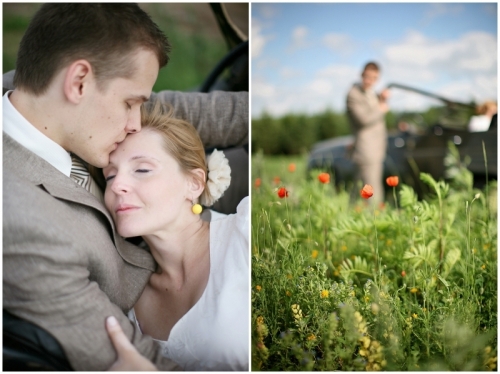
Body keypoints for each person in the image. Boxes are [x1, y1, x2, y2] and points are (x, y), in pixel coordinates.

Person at [3, 3, 248, 371]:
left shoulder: (29, 92)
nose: (135, 123)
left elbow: (193, 116)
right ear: (79, 82)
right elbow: (136, 360)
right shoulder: (20, 223)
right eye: (130, 103)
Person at [102, 101, 249, 370]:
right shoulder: (123, 293)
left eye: (142, 169)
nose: (118, 186)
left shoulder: (245, 235)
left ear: (193, 184)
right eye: (110, 176)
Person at [346, 61, 389, 204]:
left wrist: (382, 99)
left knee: (360, 193)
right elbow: (363, 119)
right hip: (366, 151)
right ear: (362, 74)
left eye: (374, 78)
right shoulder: (353, 94)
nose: (370, 81)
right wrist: (381, 108)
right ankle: (374, 221)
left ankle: (358, 217)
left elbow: (373, 108)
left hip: (376, 150)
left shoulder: (371, 93)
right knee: (372, 194)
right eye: (368, 77)